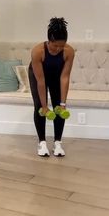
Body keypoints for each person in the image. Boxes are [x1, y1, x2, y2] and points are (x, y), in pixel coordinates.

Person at [28, 17, 74, 157]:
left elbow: (65, 77)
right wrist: (44, 106)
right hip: (38, 75)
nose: (58, 49)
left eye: (62, 46)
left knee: (58, 107)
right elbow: (41, 81)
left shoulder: (69, 51)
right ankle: (42, 143)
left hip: (57, 76)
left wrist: (63, 103)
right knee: (39, 107)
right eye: (55, 46)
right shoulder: (37, 51)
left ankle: (57, 143)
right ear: (49, 40)